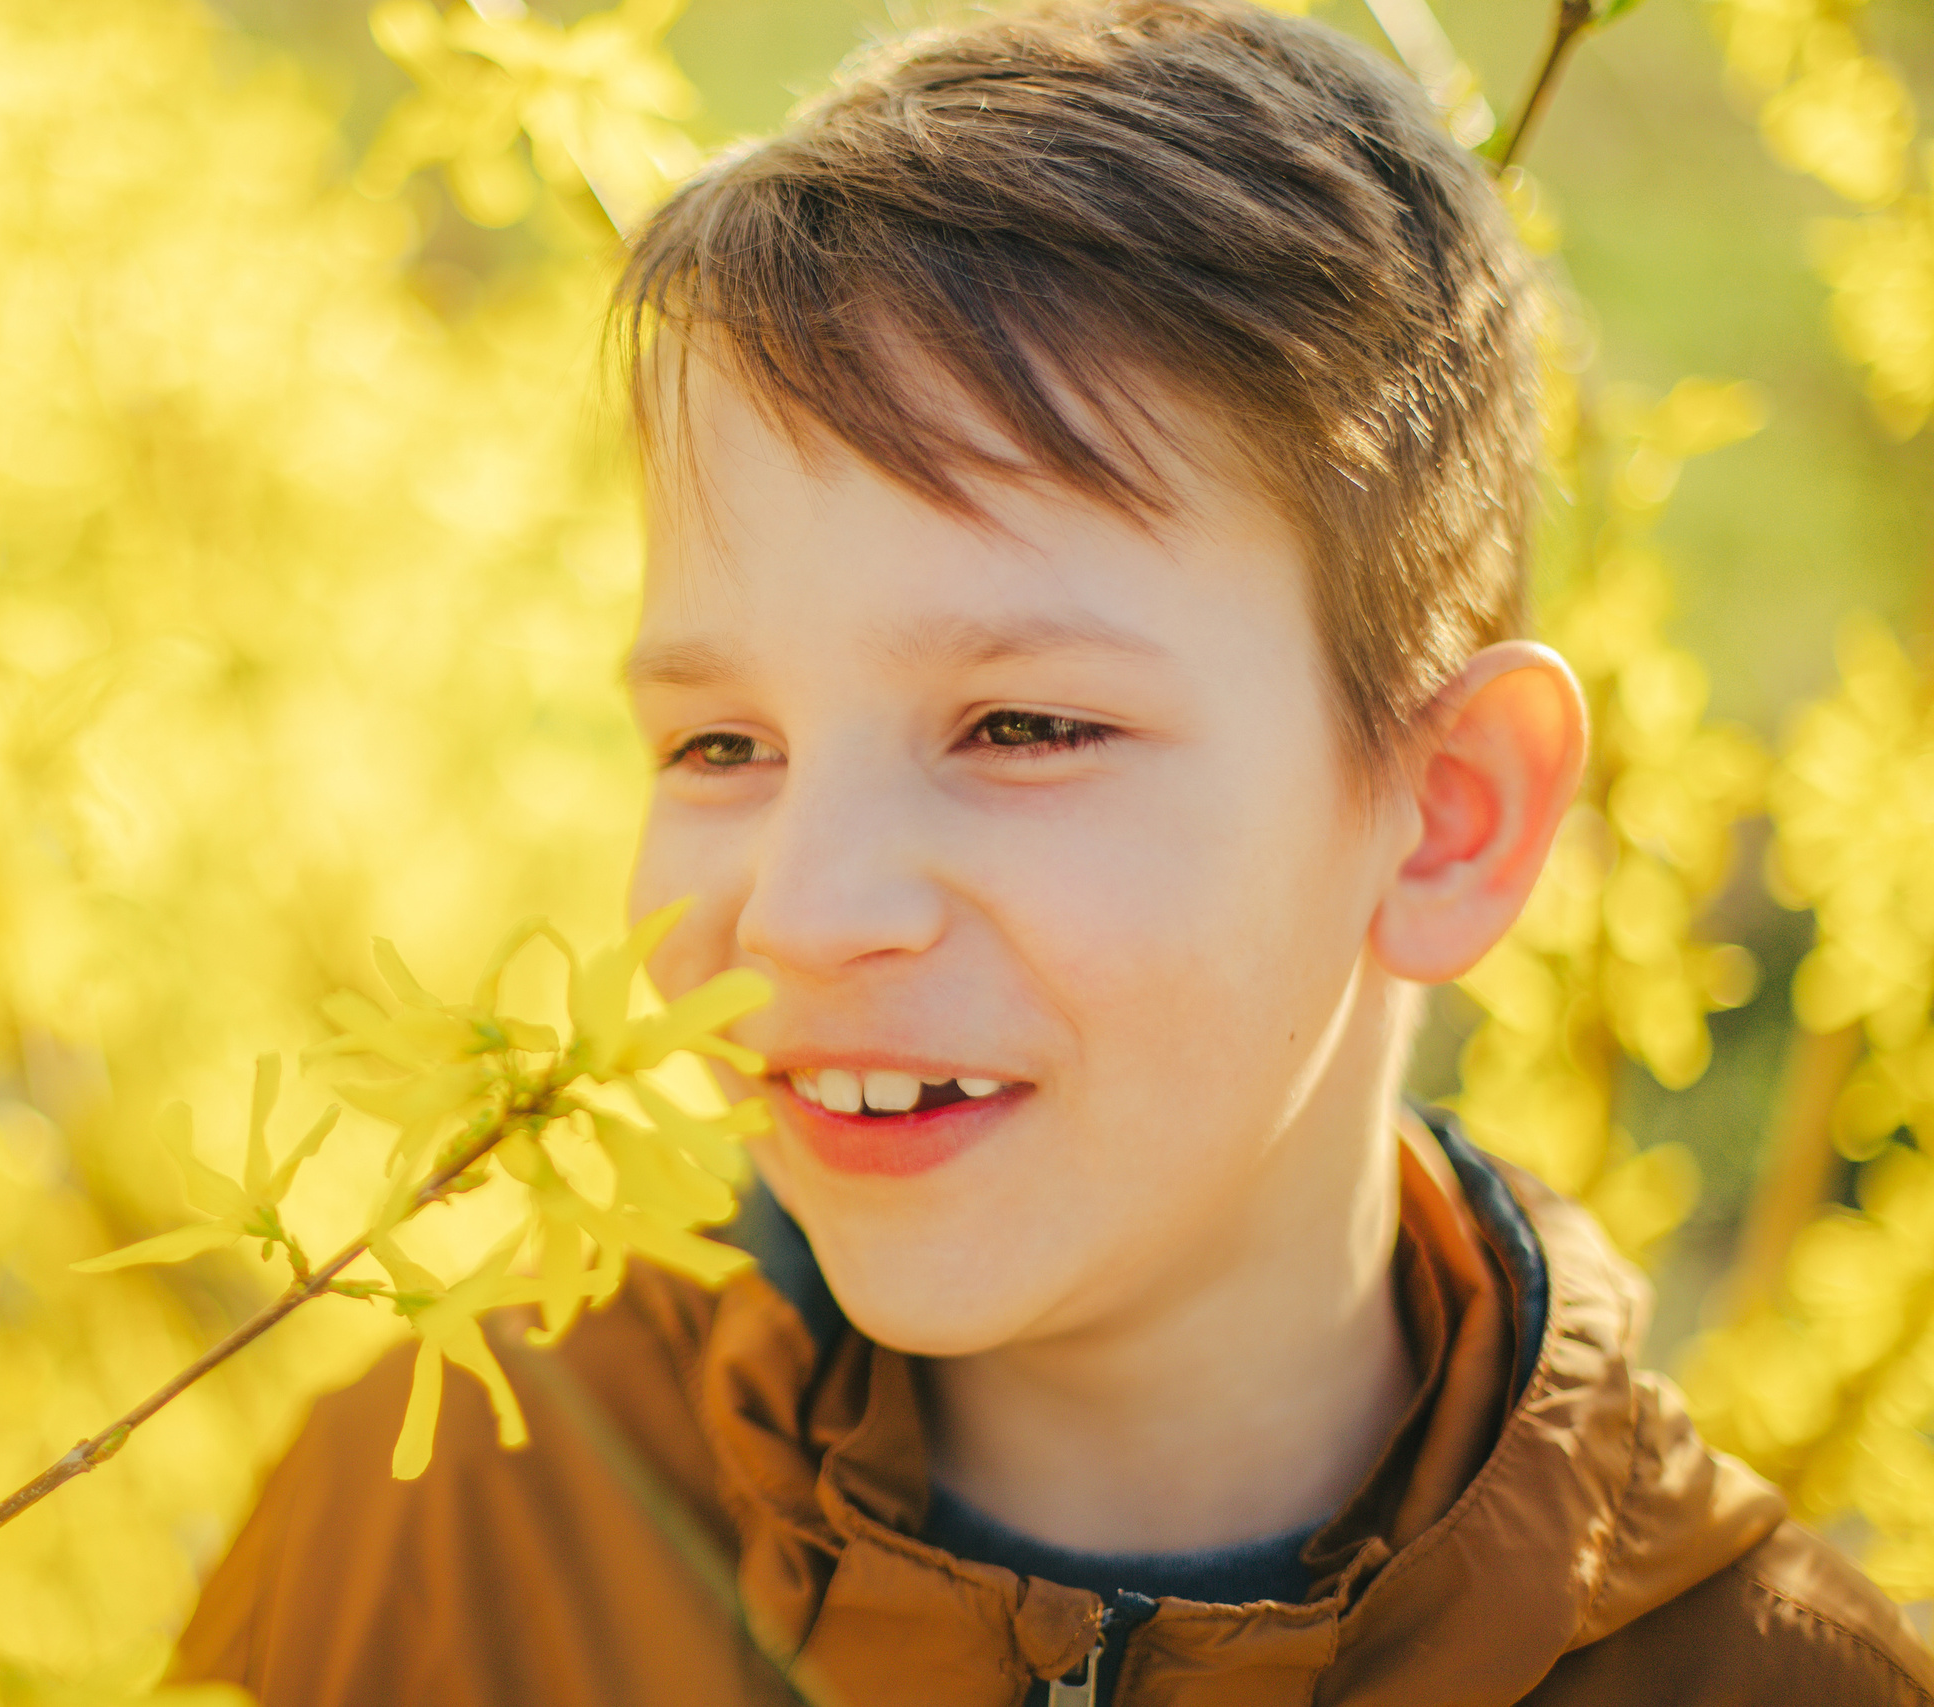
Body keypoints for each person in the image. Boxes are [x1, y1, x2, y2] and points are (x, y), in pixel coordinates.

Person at [153, 2, 1934, 1702]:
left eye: (1023, 728)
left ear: (1450, 813)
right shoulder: (448, 1538)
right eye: (720, 745)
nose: (803, 908)